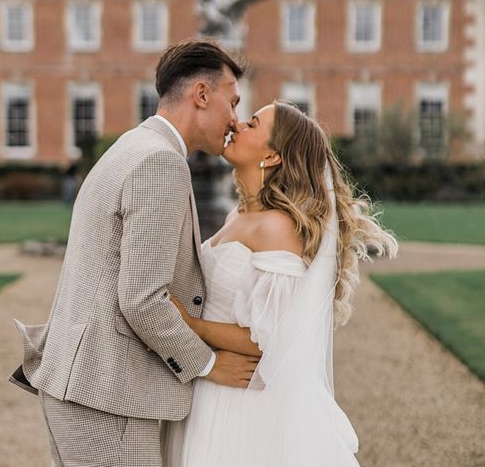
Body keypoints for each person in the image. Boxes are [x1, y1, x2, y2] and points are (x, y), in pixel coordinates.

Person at [10, 40, 259, 467]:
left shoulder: (133, 145)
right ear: (201, 94)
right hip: (106, 399)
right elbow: (143, 300)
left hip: (83, 388)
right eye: (232, 102)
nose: (235, 119)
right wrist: (208, 364)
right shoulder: (159, 162)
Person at [162, 101, 399, 466]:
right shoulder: (237, 214)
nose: (237, 125)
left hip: (241, 402)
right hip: (210, 385)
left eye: (253, 124)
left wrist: (192, 325)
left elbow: (273, 339)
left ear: (271, 155)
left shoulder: (277, 227)